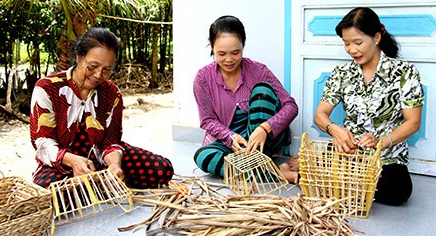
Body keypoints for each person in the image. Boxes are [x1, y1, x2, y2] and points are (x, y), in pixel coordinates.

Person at [30, 27, 174, 189]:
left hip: (100, 160)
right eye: (92, 66)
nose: (98, 75)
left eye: (106, 70)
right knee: (53, 191)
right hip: (62, 162)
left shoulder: (111, 93)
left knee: (161, 170)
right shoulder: (48, 88)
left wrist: (114, 165)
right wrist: (73, 160)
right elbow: (42, 142)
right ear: (79, 57)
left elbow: (111, 142)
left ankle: (99, 183)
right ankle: (97, 185)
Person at [314, 7, 424, 206]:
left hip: (386, 158)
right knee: (318, 167)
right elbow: (320, 114)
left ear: (376, 37)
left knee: (398, 192)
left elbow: (413, 122)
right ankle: (351, 186)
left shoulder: (404, 72)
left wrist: (381, 142)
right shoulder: (342, 73)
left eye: (358, 42)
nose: (351, 50)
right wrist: (335, 130)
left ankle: (344, 187)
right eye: (346, 43)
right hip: (349, 154)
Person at [193, 15, 299, 183]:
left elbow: (291, 106)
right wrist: (231, 137)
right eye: (221, 54)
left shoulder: (258, 71)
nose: (229, 60)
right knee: (203, 156)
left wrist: (265, 128)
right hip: (234, 142)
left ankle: (255, 163)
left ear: (243, 44)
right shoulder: (203, 78)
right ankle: (277, 173)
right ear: (211, 46)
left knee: (262, 91)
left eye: (236, 52)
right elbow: (207, 120)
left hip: (264, 140)